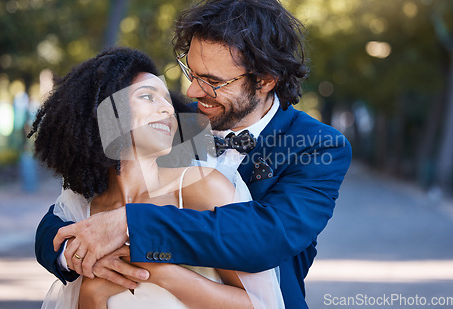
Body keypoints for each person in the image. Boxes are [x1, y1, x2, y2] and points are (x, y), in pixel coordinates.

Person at [35, 0, 352, 308]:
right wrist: (74, 255)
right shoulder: (175, 125)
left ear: (266, 80)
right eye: (191, 71)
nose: (191, 92)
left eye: (213, 82)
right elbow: (62, 219)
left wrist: (131, 223)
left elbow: (266, 236)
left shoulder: (316, 146)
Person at [30, 46, 284, 308]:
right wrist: (92, 290)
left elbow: (261, 304)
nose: (167, 109)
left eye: (166, 99)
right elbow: (51, 242)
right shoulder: (85, 209)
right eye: (148, 97)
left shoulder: (203, 186)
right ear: (106, 113)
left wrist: (158, 271)